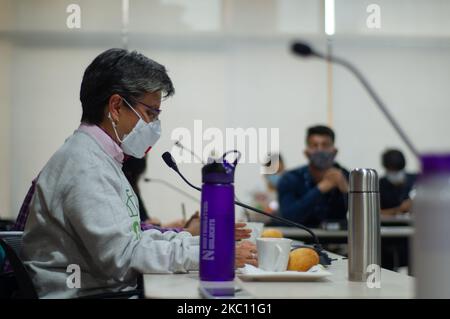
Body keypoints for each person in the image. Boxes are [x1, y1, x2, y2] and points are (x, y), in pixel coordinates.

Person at [21, 48, 257, 298]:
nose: (154, 125)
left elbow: (135, 238)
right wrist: (212, 256)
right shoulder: (85, 165)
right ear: (115, 106)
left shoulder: (99, 158)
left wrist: (210, 246)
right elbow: (124, 257)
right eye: (150, 113)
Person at [278, 125, 349, 228]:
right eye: (314, 145)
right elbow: (288, 218)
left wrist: (347, 191)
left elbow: (361, 219)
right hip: (300, 241)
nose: (320, 150)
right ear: (306, 153)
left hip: (341, 241)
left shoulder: (348, 177)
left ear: (334, 151)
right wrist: (320, 189)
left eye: (325, 145)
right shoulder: (290, 179)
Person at [122, 156, 191, 230]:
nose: (144, 155)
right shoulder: (124, 189)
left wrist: (167, 225)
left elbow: (145, 226)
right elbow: (138, 229)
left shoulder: (134, 191)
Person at [248, 153, 285, 224]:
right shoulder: (258, 193)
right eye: (273, 171)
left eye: (279, 171)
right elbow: (252, 216)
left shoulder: (291, 192)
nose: (276, 175)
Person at [379, 149, 417, 216]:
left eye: (398, 170)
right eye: (391, 170)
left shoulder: (416, 180)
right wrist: (399, 209)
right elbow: (375, 214)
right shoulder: (379, 185)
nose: (395, 174)